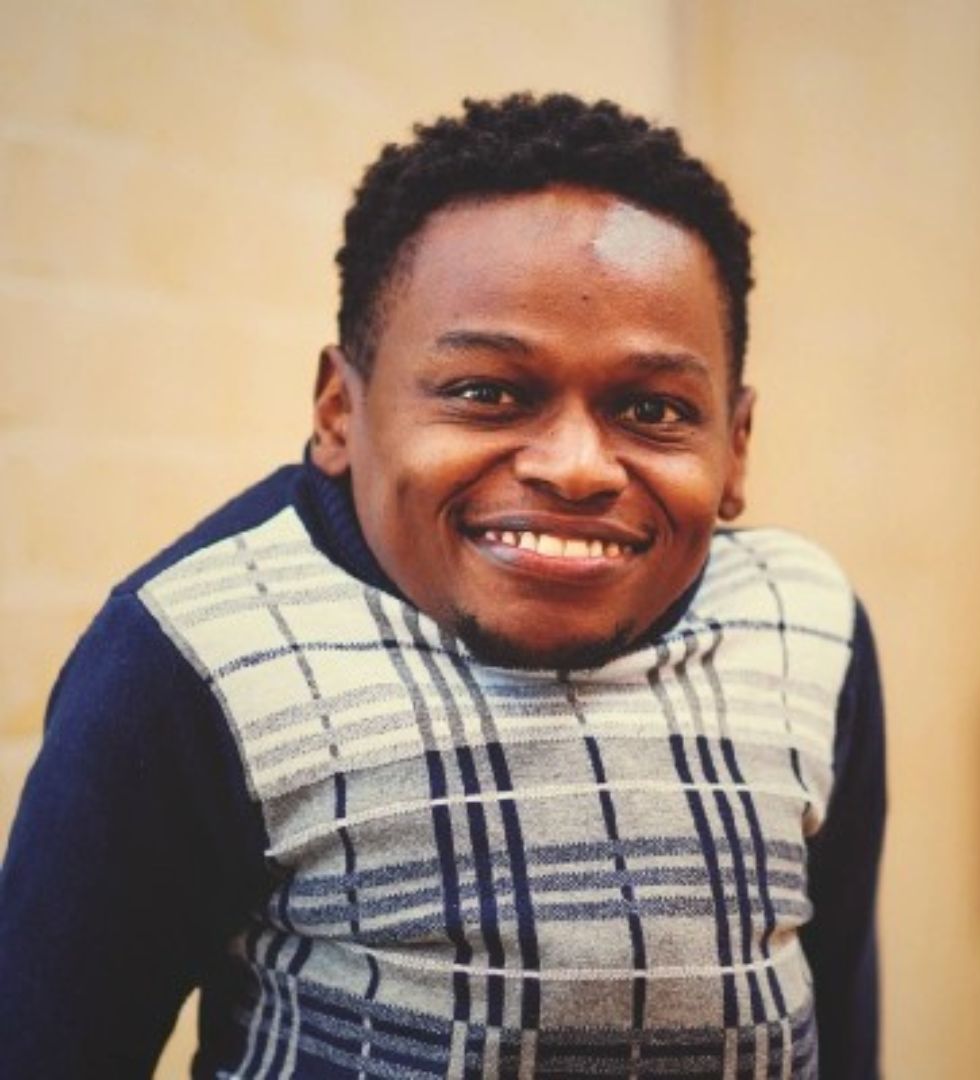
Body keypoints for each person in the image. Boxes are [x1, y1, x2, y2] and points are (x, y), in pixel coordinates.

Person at [0, 93, 885, 1079]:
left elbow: (840, 1005)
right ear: (341, 409)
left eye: (653, 407)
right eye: (487, 392)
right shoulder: (196, 652)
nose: (578, 467)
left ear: (737, 444)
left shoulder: (807, 624)